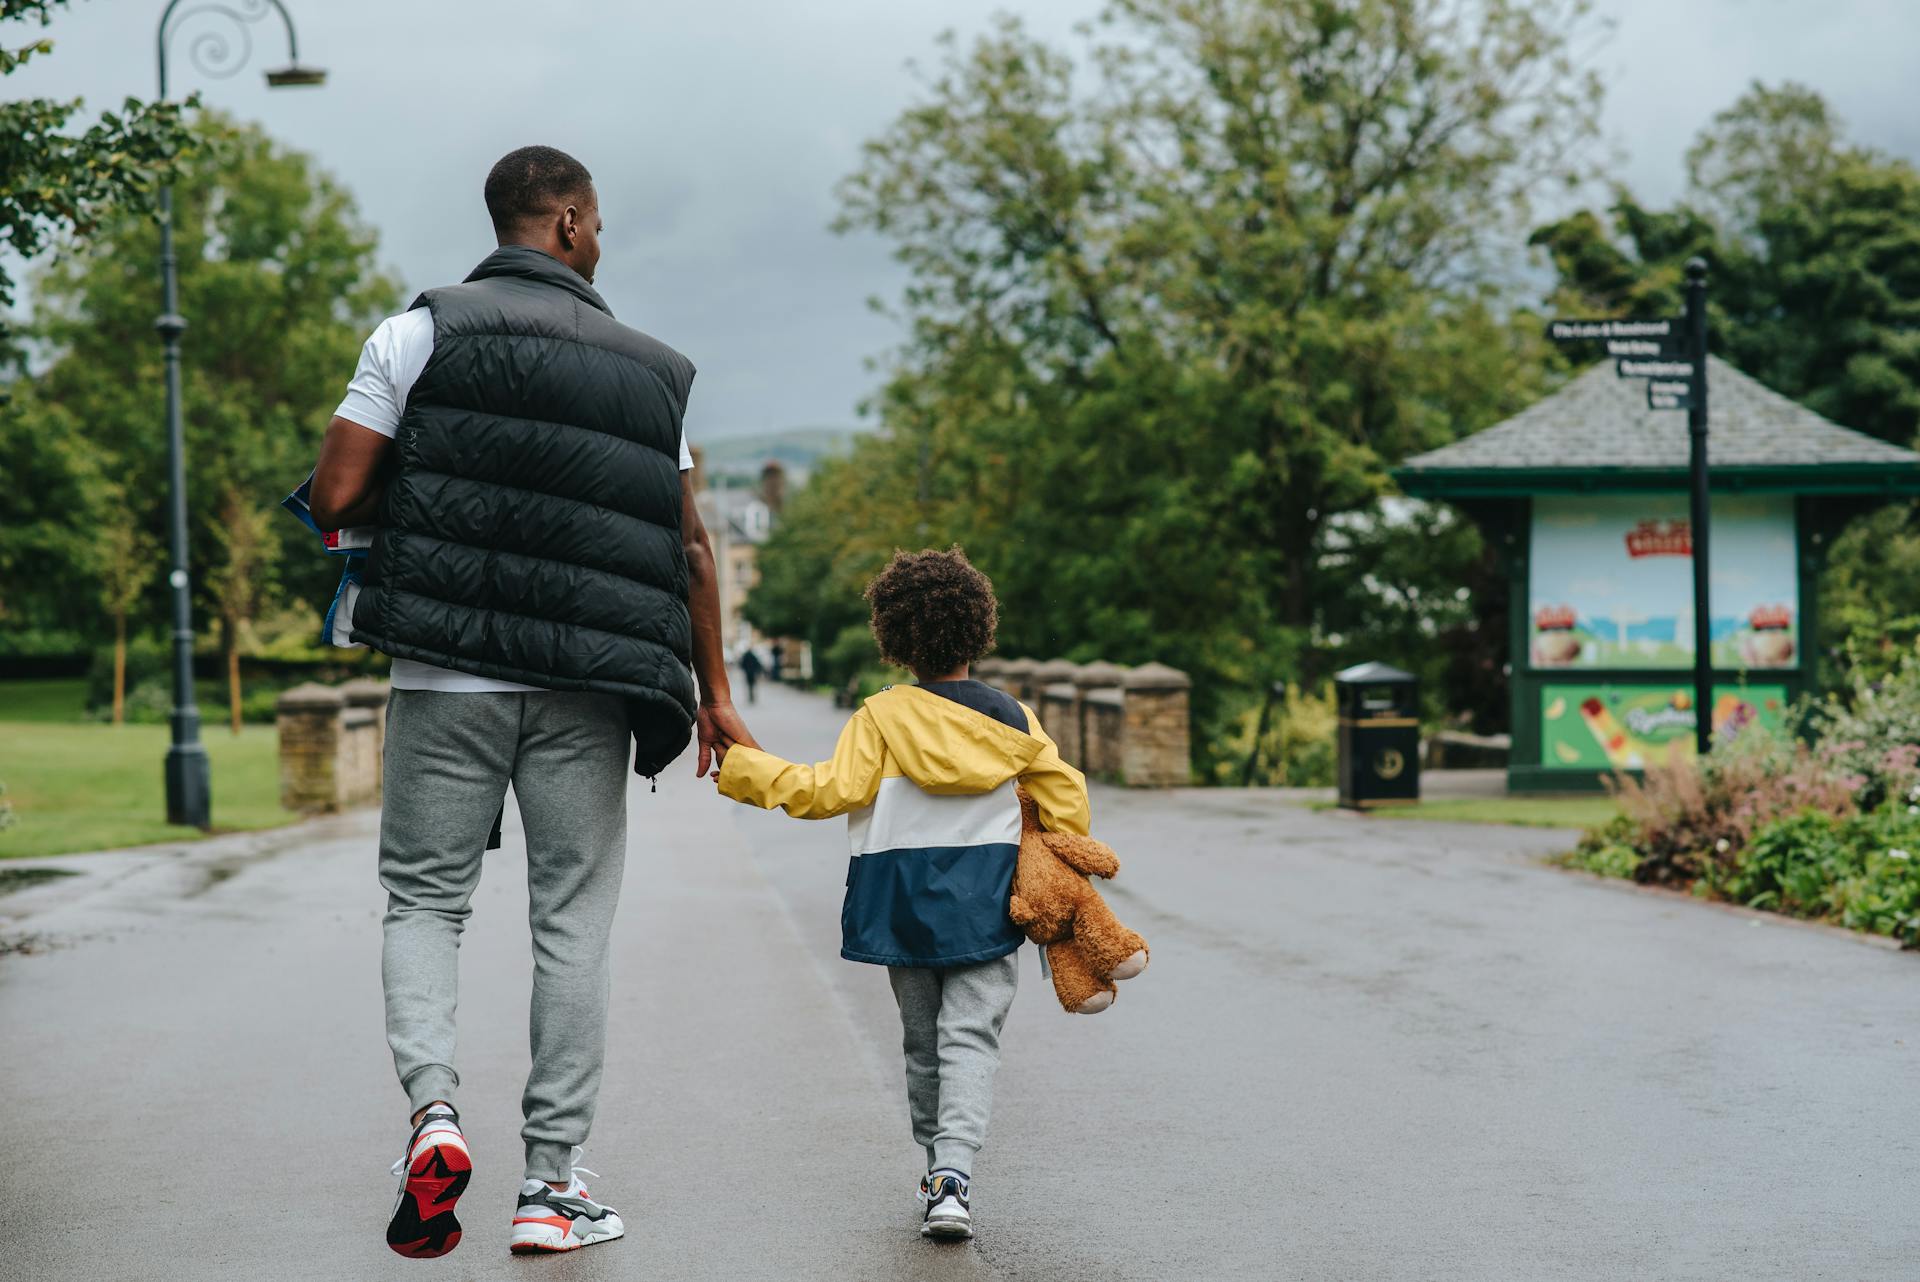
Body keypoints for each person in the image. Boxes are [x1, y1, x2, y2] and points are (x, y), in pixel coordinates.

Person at [305, 145, 756, 1259]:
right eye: (594, 223)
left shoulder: (414, 335)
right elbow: (691, 548)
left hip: (445, 673)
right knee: (573, 923)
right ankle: (552, 1187)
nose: (599, 242)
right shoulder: (654, 374)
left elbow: (337, 494)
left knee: (423, 899)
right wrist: (717, 695)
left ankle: (435, 1115)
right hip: (591, 688)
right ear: (561, 223)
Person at [710, 547, 1088, 1240]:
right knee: (970, 1038)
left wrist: (744, 769)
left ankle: (934, 1169)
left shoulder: (880, 718)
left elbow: (829, 792)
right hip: (989, 899)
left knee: (922, 1043)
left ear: (894, 636)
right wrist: (1052, 848)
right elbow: (1069, 802)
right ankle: (955, 1172)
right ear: (979, 628)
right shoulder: (1015, 720)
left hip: (901, 903)